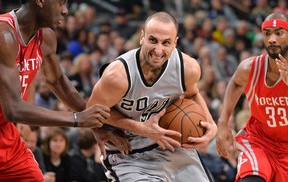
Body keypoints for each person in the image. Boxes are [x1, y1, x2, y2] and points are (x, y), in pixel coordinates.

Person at [0, 0, 112, 181]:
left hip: (6, 136)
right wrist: (78, 119)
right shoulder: (4, 35)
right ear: (40, 0)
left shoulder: (46, 38)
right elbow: (13, 109)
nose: (65, 10)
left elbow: (58, 81)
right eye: (61, 2)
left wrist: (95, 126)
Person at [87, 11, 218, 181]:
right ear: (142, 37)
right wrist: (140, 128)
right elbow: (91, 111)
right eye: (153, 40)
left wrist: (211, 124)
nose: (158, 50)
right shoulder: (118, 76)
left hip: (170, 146)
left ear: (175, 43)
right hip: (128, 154)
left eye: (166, 43)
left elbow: (193, 94)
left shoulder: (188, 68)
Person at [216, 12, 288, 182]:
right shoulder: (250, 68)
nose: (272, 39)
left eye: (279, 33)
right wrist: (223, 122)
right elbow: (235, 83)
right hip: (259, 141)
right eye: (267, 33)